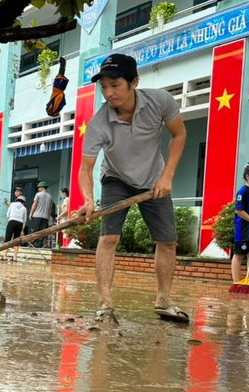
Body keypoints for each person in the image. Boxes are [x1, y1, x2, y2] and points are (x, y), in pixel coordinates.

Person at [77, 53, 187, 323]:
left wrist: (167, 176)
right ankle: (105, 304)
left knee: (168, 241)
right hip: (115, 179)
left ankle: (164, 300)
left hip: (154, 180)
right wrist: (89, 200)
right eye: (103, 86)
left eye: (115, 85)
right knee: (109, 238)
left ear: (133, 82)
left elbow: (179, 134)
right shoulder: (98, 123)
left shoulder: (159, 101)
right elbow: (86, 168)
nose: (108, 93)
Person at [0, 195, 27, 262]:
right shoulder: (24, 208)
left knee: (7, 239)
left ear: (17, 200)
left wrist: (11, 220)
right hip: (20, 223)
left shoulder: (12, 204)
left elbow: (7, 214)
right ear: (23, 202)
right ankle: (15, 258)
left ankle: (5, 256)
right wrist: (22, 230)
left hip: (12, 221)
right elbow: (24, 220)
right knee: (16, 240)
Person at [29, 181, 53, 247]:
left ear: (42, 187)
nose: (38, 189)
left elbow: (35, 204)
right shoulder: (50, 197)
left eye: (39, 187)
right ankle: (39, 245)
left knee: (35, 231)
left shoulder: (38, 194)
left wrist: (31, 213)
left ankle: (33, 245)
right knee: (42, 232)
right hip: (45, 217)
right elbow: (50, 209)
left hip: (37, 215)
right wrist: (48, 217)